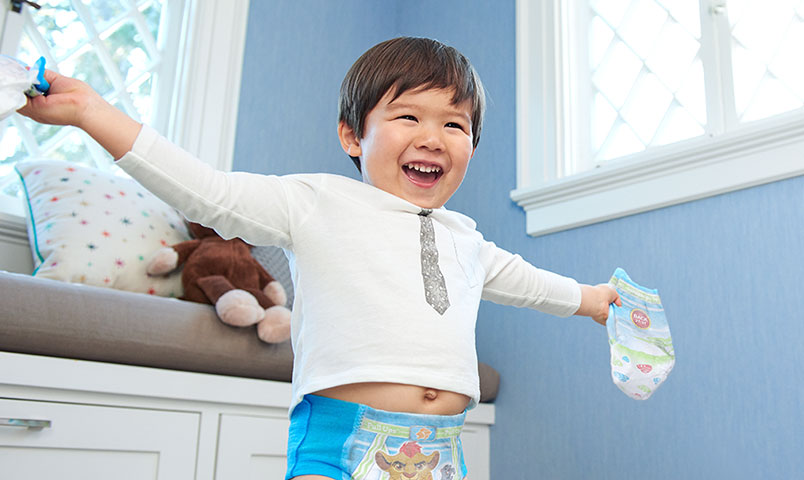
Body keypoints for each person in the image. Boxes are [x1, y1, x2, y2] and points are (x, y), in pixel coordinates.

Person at [19, 36, 620, 480]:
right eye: (408, 116)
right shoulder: (317, 203)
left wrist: (592, 301)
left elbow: (528, 282)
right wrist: (89, 113)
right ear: (353, 136)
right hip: (339, 442)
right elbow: (208, 191)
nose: (433, 136)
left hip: (443, 451)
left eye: (455, 125)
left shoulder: (466, 237)